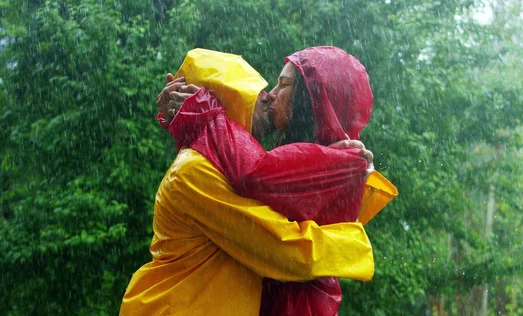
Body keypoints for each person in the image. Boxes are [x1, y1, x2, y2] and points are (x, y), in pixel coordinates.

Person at [120, 49, 392, 316]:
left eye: (276, 87)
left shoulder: (227, 164)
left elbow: (291, 205)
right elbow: (284, 251)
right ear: (223, 100)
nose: (267, 98)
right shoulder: (196, 169)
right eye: (253, 92)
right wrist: (352, 245)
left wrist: (338, 173)